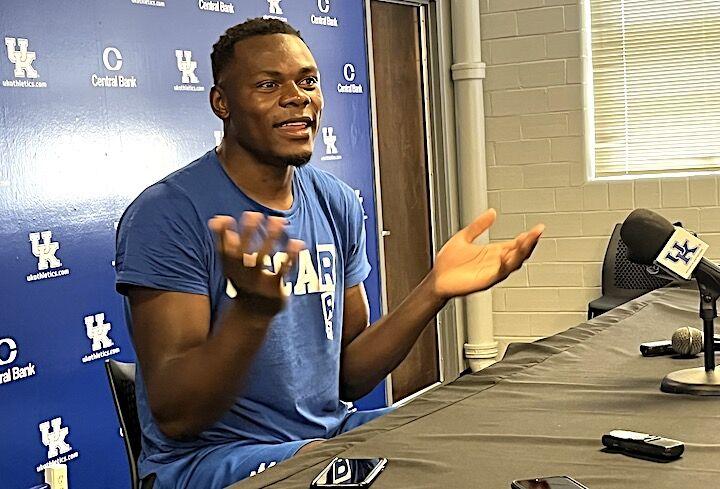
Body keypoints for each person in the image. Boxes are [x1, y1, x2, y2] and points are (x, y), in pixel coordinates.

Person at [115, 18, 544, 489]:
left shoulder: (335, 200)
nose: (297, 96)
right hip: (211, 460)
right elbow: (178, 417)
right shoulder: (168, 214)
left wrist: (433, 290)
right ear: (223, 103)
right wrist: (250, 315)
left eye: (308, 81)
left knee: (471, 429)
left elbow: (349, 377)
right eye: (267, 84)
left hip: (328, 437)